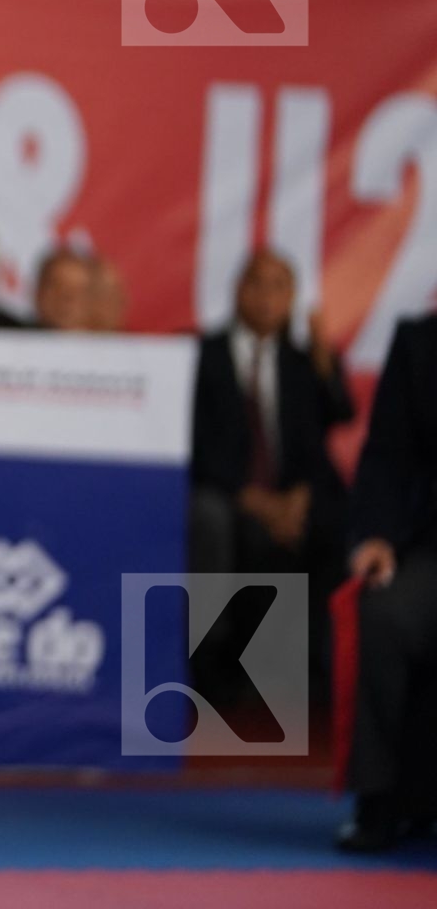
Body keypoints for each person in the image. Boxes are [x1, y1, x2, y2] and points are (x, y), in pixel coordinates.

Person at [189, 249, 353, 701]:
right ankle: (213, 661)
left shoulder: (304, 359)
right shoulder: (204, 355)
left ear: (293, 298)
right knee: (216, 520)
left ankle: (321, 670)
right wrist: (254, 499)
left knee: (339, 525)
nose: (266, 297)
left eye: (280, 286)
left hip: (297, 494)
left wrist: (326, 363)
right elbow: (197, 442)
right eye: (257, 284)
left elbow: (338, 415)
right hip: (230, 491)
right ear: (237, 290)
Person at [339, 311, 437, 852]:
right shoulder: (420, 341)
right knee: (386, 611)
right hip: (430, 549)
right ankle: (379, 802)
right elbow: (387, 455)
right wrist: (374, 535)